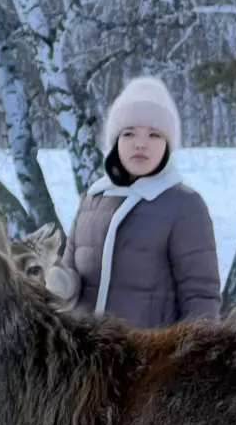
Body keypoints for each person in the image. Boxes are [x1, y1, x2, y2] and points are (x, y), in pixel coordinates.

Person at [53, 75, 221, 327]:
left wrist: (193, 360)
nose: (140, 144)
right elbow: (70, 280)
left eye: (154, 134)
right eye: (129, 133)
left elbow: (201, 298)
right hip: (85, 358)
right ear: (116, 141)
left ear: (167, 145)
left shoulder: (185, 205)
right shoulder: (93, 200)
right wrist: (59, 282)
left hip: (150, 360)